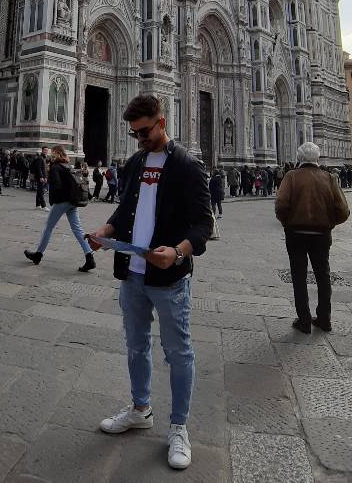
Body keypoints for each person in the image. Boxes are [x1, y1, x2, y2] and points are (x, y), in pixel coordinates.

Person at [87, 93, 213, 472]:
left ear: (161, 122)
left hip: (170, 277)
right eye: (134, 135)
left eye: (143, 132)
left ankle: (178, 428)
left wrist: (177, 252)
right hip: (133, 275)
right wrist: (104, 230)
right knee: (136, 346)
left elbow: (204, 226)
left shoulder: (188, 166)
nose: (139, 140)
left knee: (178, 353)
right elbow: (125, 209)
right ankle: (140, 409)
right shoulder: (136, 163)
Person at [275, 142, 350, 334]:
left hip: (296, 235)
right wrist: (329, 224)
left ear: (299, 158)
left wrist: (288, 223)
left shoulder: (291, 176)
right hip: (321, 236)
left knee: (299, 277)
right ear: (317, 158)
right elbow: (343, 210)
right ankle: (324, 319)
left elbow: (281, 206)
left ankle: (304, 321)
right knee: (323, 276)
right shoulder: (329, 178)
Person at [24, 145, 95, 272]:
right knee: (77, 229)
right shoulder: (67, 165)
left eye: (52, 152)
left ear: (56, 153)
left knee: (48, 227)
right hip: (73, 201)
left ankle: (38, 255)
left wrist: (49, 179)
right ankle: (89, 257)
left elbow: (57, 185)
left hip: (62, 201)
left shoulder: (56, 167)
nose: (51, 154)